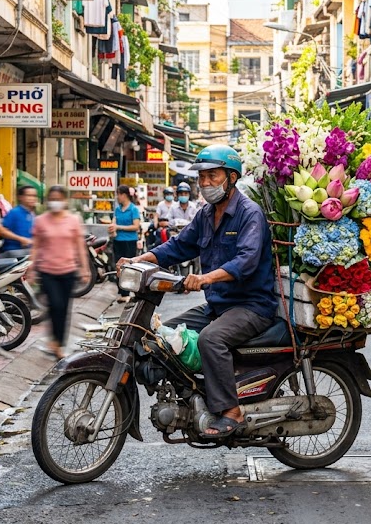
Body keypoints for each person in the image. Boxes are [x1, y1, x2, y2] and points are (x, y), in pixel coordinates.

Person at [118, 144, 277, 439]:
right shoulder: (205, 215)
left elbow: (246, 261)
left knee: (211, 339)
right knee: (164, 335)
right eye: (201, 177)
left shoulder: (249, 214)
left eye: (212, 176)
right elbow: (177, 247)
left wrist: (205, 279)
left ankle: (231, 411)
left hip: (252, 305)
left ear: (231, 177)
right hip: (218, 305)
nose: (204, 184)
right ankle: (196, 394)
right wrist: (139, 260)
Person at [29, 186, 92, 360]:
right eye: (52, 198)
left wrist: (85, 269)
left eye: (58, 198)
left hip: (68, 271)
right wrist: (32, 268)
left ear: (64, 200)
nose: (55, 201)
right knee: (55, 305)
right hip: (47, 271)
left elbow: (80, 246)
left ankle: (58, 343)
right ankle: (55, 343)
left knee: (64, 309)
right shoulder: (41, 221)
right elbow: (36, 246)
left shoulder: (73, 220)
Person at [111, 185, 142, 302]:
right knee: (119, 266)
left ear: (124, 195)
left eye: (118, 194)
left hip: (129, 241)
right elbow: (113, 222)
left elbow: (136, 226)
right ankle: (122, 291)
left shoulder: (133, 209)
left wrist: (118, 227)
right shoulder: (118, 209)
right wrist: (112, 228)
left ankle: (127, 292)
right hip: (118, 241)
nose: (117, 197)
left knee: (128, 267)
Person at [0, 186, 37, 252]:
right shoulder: (15, 212)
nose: (32, 198)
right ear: (20, 197)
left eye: (34, 196)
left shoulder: (32, 214)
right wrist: (20, 239)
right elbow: (2, 231)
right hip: (13, 253)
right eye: (29, 195)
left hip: (28, 252)